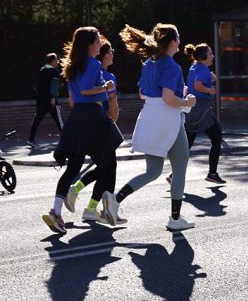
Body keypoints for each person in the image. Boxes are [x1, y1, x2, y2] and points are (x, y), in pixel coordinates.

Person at [106, 23, 197, 232]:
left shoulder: (149, 63)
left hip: (149, 117)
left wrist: (177, 93)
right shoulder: (172, 66)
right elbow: (167, 98)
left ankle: (115, 199)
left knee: (153, 171)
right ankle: (175, 218)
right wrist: (186, 102)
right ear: (173, 41)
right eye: (179, 38)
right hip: (168, 120)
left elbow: (144, 94)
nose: (180, 42)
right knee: (180, 167)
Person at [43, 27, 121, 234]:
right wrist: (106, 88)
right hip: (92, 118)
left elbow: (74, 95)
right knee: (109, 163)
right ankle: (104, 208)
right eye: (97, 41)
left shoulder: (73, 65)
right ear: (89, 45)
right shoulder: (94, 64)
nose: (99, 45)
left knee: (73, 167)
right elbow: (87, 89)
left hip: (77, 118)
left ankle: (56, 212)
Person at [65, 41, 126, 223]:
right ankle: (101, 208)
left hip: (87, 123)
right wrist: (112, 122)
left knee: (104, 167)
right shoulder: (108, 78)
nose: (113, 54)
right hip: (102, 123)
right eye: (111, 51)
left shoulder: (80, 71)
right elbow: (113, 105)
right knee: (110, 168)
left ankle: (87, 203)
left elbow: (72, 101)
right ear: (104, 55)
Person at [183, 42, 225, 184]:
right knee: (217, 137)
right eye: (210, 53)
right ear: (203, 56)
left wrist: (210, 78)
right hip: (202, 108)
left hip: (193, 109)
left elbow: (196, 82)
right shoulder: (204, 70)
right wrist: (210, 90)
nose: (212, 56)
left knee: (187, 143)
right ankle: (212, 173)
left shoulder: (194, 67)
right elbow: (197, 85)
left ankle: (174, 175)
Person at [28, 53, 63, 147]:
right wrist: (53, 97)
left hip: (41, 100)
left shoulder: (42, 70)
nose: (57, 62)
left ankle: (30, 139)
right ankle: (67, 139)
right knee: (59, 120)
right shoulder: (54, 71)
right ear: (52, 61)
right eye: (56, 60)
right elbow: (55, 85)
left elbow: (40, 86)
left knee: (37, 120)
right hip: (50, 101)